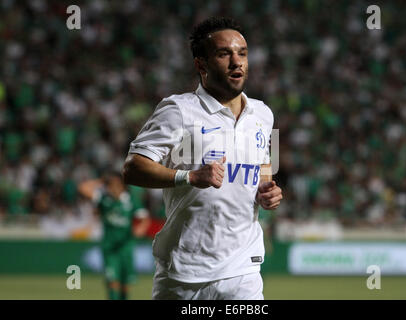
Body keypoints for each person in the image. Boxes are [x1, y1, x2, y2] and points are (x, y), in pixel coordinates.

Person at [123, 17, 283, 300]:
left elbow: (264, 165)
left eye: (242, 53)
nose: (237, 62)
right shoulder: (178, 110)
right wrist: (191, 176)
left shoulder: (262, 114)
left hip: (242, 270)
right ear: (201, 64)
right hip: (184, 272)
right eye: (224, 54)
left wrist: (266, 190)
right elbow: (133, 168)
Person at [78, 171, 150, 300]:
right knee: (112, 281)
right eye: (110, 185)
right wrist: (101, 180)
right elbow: (83, 188)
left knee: (125, 284)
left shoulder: (131, 200)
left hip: (126, 246)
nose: (113, 188)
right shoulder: (103, 198)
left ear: (122, 185)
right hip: (109, 247)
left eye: (116, 184)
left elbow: (145, 218)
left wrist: (141, 228)